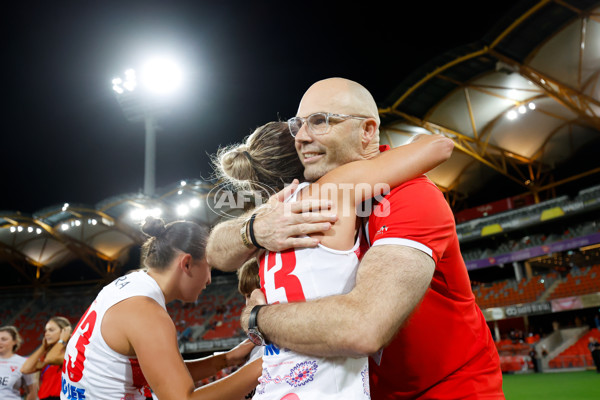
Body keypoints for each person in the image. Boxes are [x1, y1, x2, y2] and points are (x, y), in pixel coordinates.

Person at [207, 77, 504, 399]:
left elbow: (363, 328)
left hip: (447, 391)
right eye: (298, 125)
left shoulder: (411, 196)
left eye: (320, 122)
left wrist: (256, 317)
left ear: (366, 131)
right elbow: (216, 252)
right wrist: (252, 229)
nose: (302, 137)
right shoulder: (301, 202)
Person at [60, 217, 261, 400]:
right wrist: (266, 364)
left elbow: (164, 375)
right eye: (209, 267)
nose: (209, 279)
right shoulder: (145, 312)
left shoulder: (129, 286)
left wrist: (225, 359)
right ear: (187, 264)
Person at [21, 316, 72, 400]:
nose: (46, 334)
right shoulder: (46, 355)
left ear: (64, 332)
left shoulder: (71, 352)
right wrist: (42, 348)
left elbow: (51, 359)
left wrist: (62, 340)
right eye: (46, 331)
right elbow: (25, 369)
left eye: (51, 330)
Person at [0, 325, 37, 400]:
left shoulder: (23, 363)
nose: (0, 342)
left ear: (15, 341)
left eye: (4, 339)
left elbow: (32, 392)